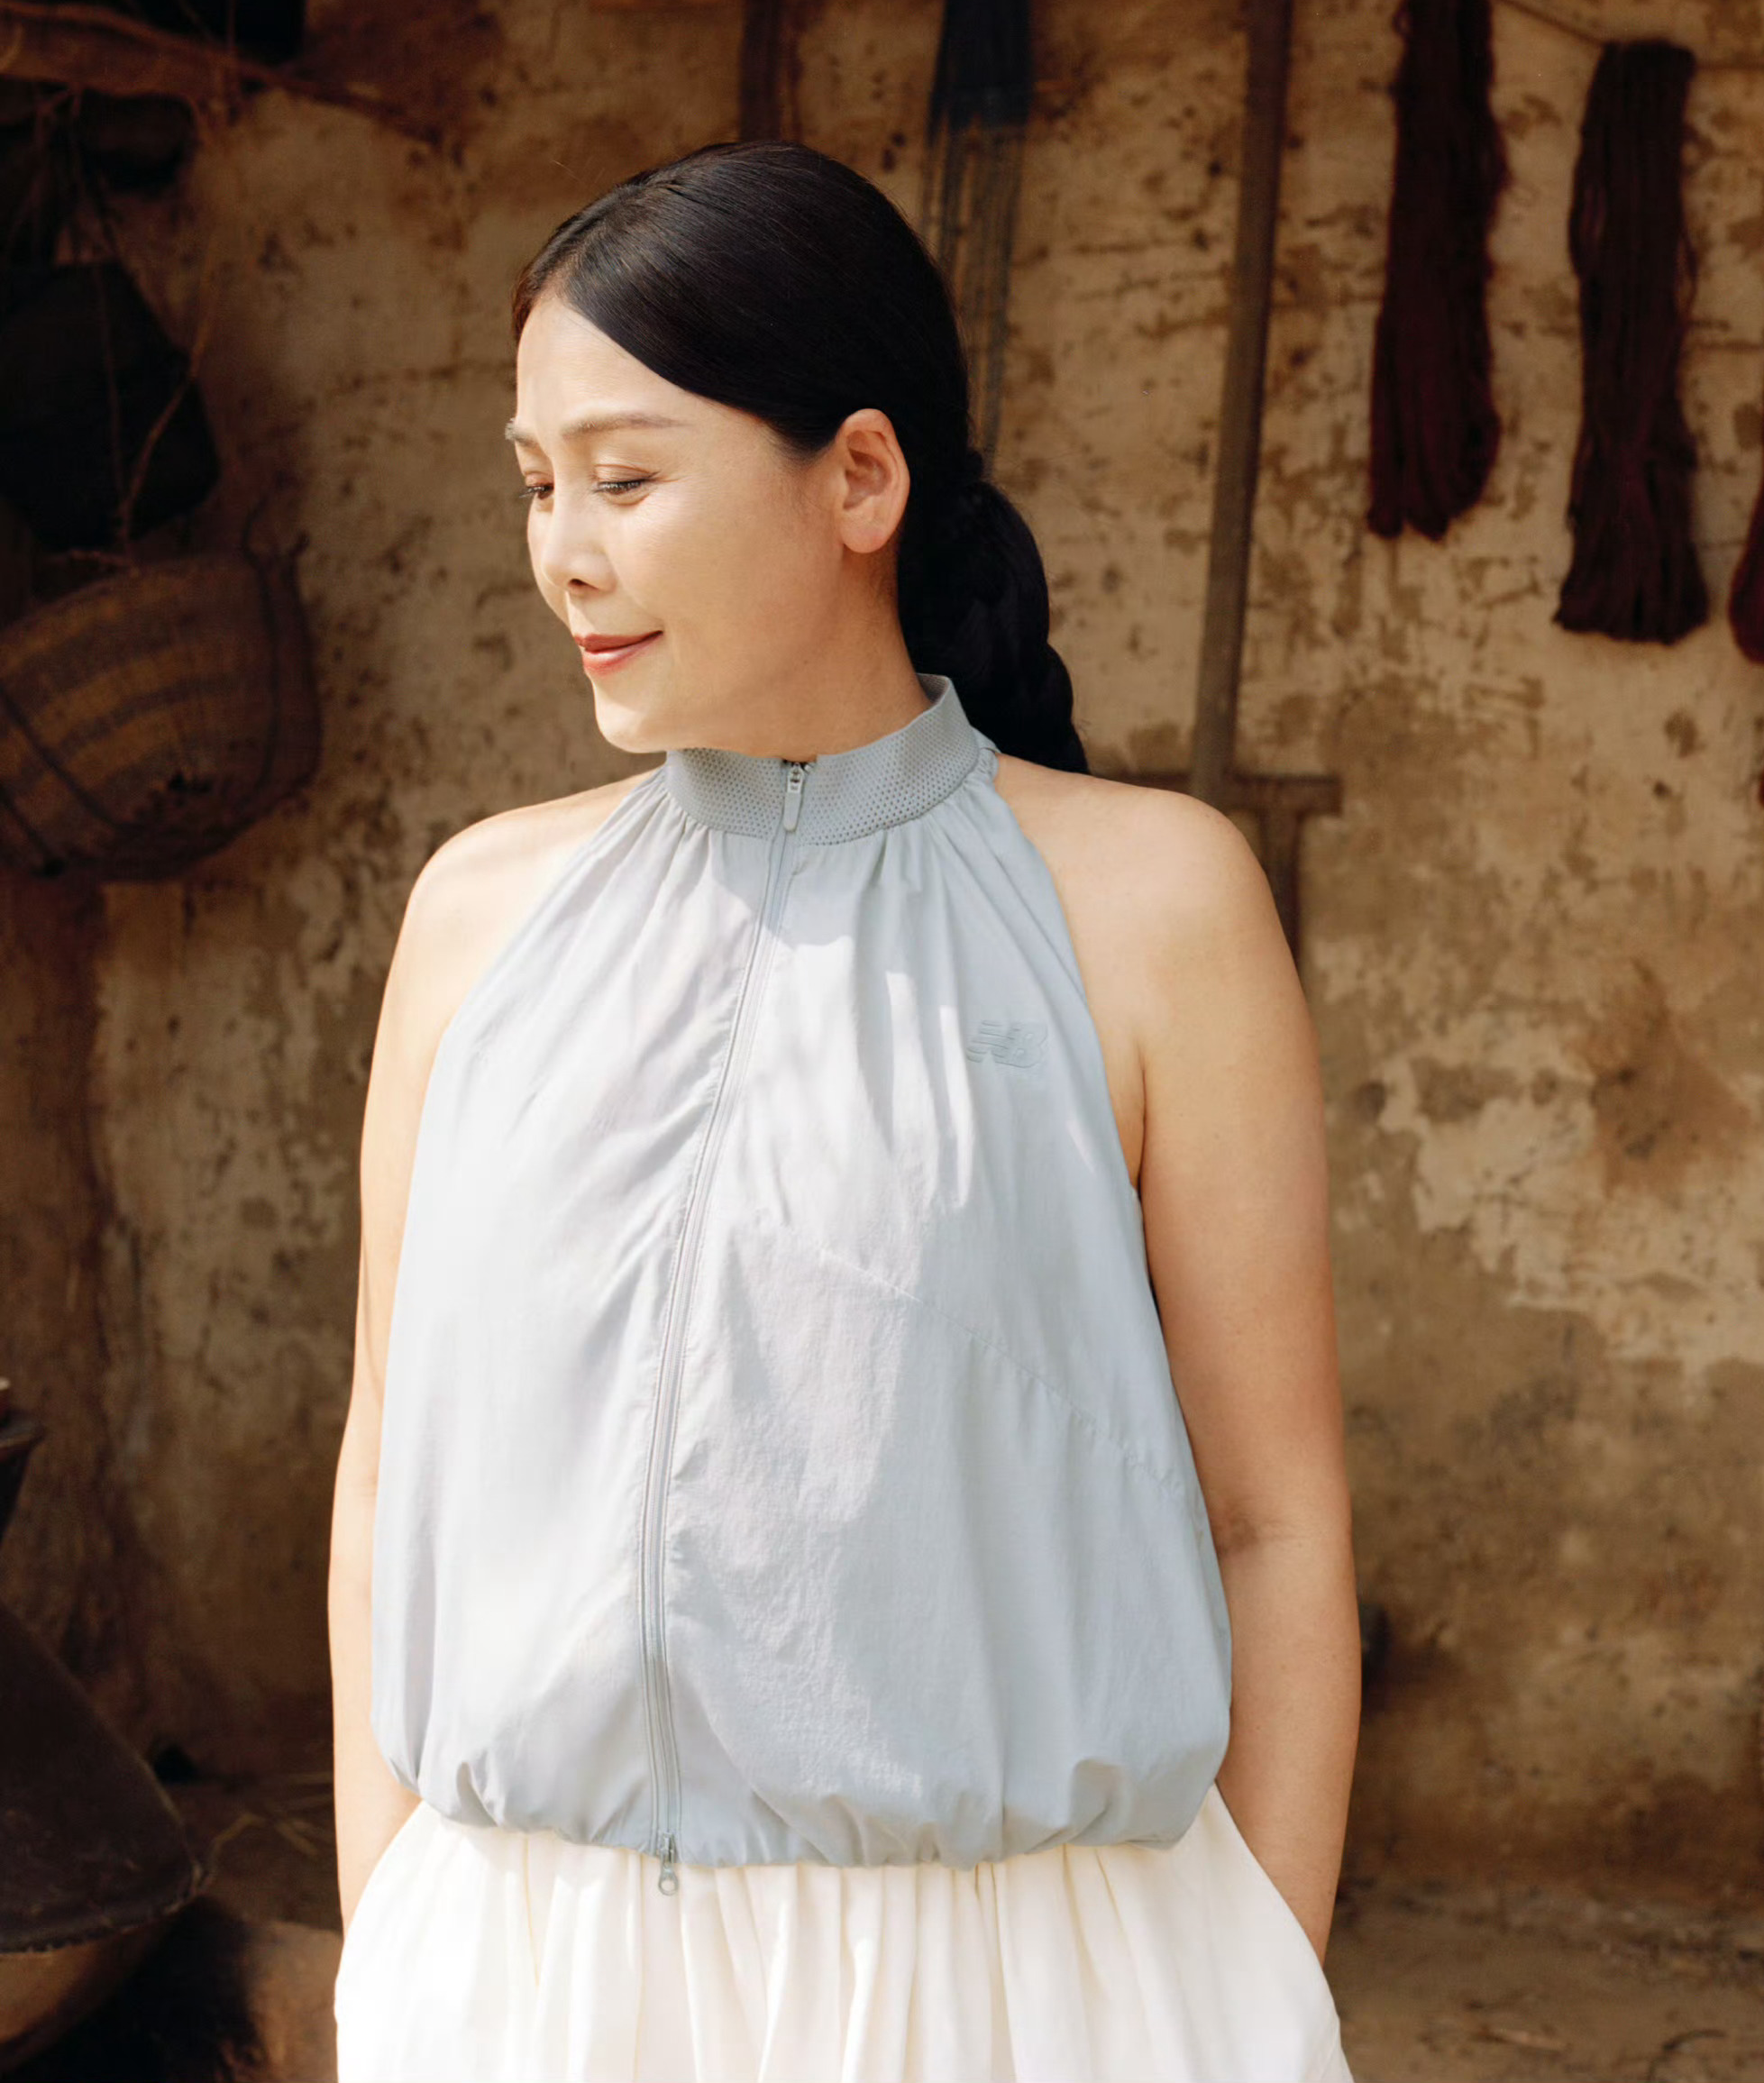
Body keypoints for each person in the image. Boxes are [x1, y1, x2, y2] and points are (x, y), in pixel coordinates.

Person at [329, 138, 1361, 2083]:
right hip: (527, 1990)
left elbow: (1272, 1519)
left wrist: (1256, 1993)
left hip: (1017, 1999)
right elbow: (389, 1467)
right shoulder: (478, 919)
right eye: (539, 483)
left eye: (626, 477)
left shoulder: (1153, 906)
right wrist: (391, 1939)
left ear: (861, 480)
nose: (564, 552)